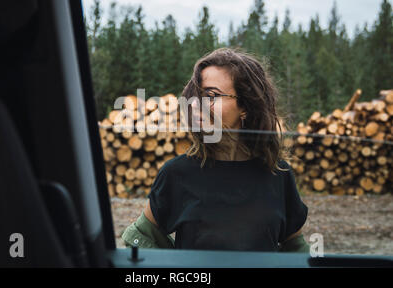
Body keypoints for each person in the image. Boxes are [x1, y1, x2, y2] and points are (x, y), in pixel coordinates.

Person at [122, 48, 309, 252]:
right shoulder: (177, 173)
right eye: (196, 96)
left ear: (245, 105)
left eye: (211, 95)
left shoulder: (278, 174)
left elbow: (295, 247)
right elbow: (140, 235)